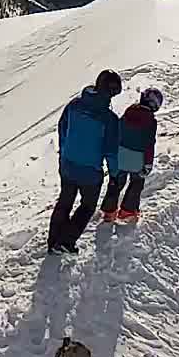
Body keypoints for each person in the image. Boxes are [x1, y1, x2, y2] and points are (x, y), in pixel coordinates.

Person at [48, 71, 124, 254]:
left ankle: (53, 241)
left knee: (64, 201)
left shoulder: (74, 105)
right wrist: (115, 174)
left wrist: (64, 154)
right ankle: (66, 241)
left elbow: (62, 129)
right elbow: (111, 152)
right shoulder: (109, 119)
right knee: (87, 206)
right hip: (90, 172)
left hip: (68, 165)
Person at [105, 89, 164, 224]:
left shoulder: (129, 112)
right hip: (138, 158)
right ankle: (127, 211)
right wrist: (148, 163)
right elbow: (149, 144)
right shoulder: (151, 121)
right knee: (136, 183)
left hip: (121, 153)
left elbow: (118, 130)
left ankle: (109, 211)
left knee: (116, 182)